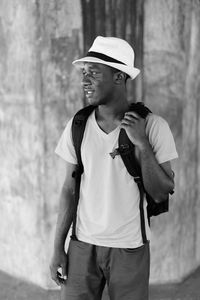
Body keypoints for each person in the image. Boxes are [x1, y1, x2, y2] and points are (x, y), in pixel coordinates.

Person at [50, 36, 178, 300]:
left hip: (129, 247)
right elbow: (68, 189)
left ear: (119, 77)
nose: (85, 80)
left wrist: (142, 144)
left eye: (94, 73)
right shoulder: (78, 125)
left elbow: (162, 191)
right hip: (81, 244)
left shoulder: (154, 127)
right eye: (84, 73)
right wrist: (57, 247)